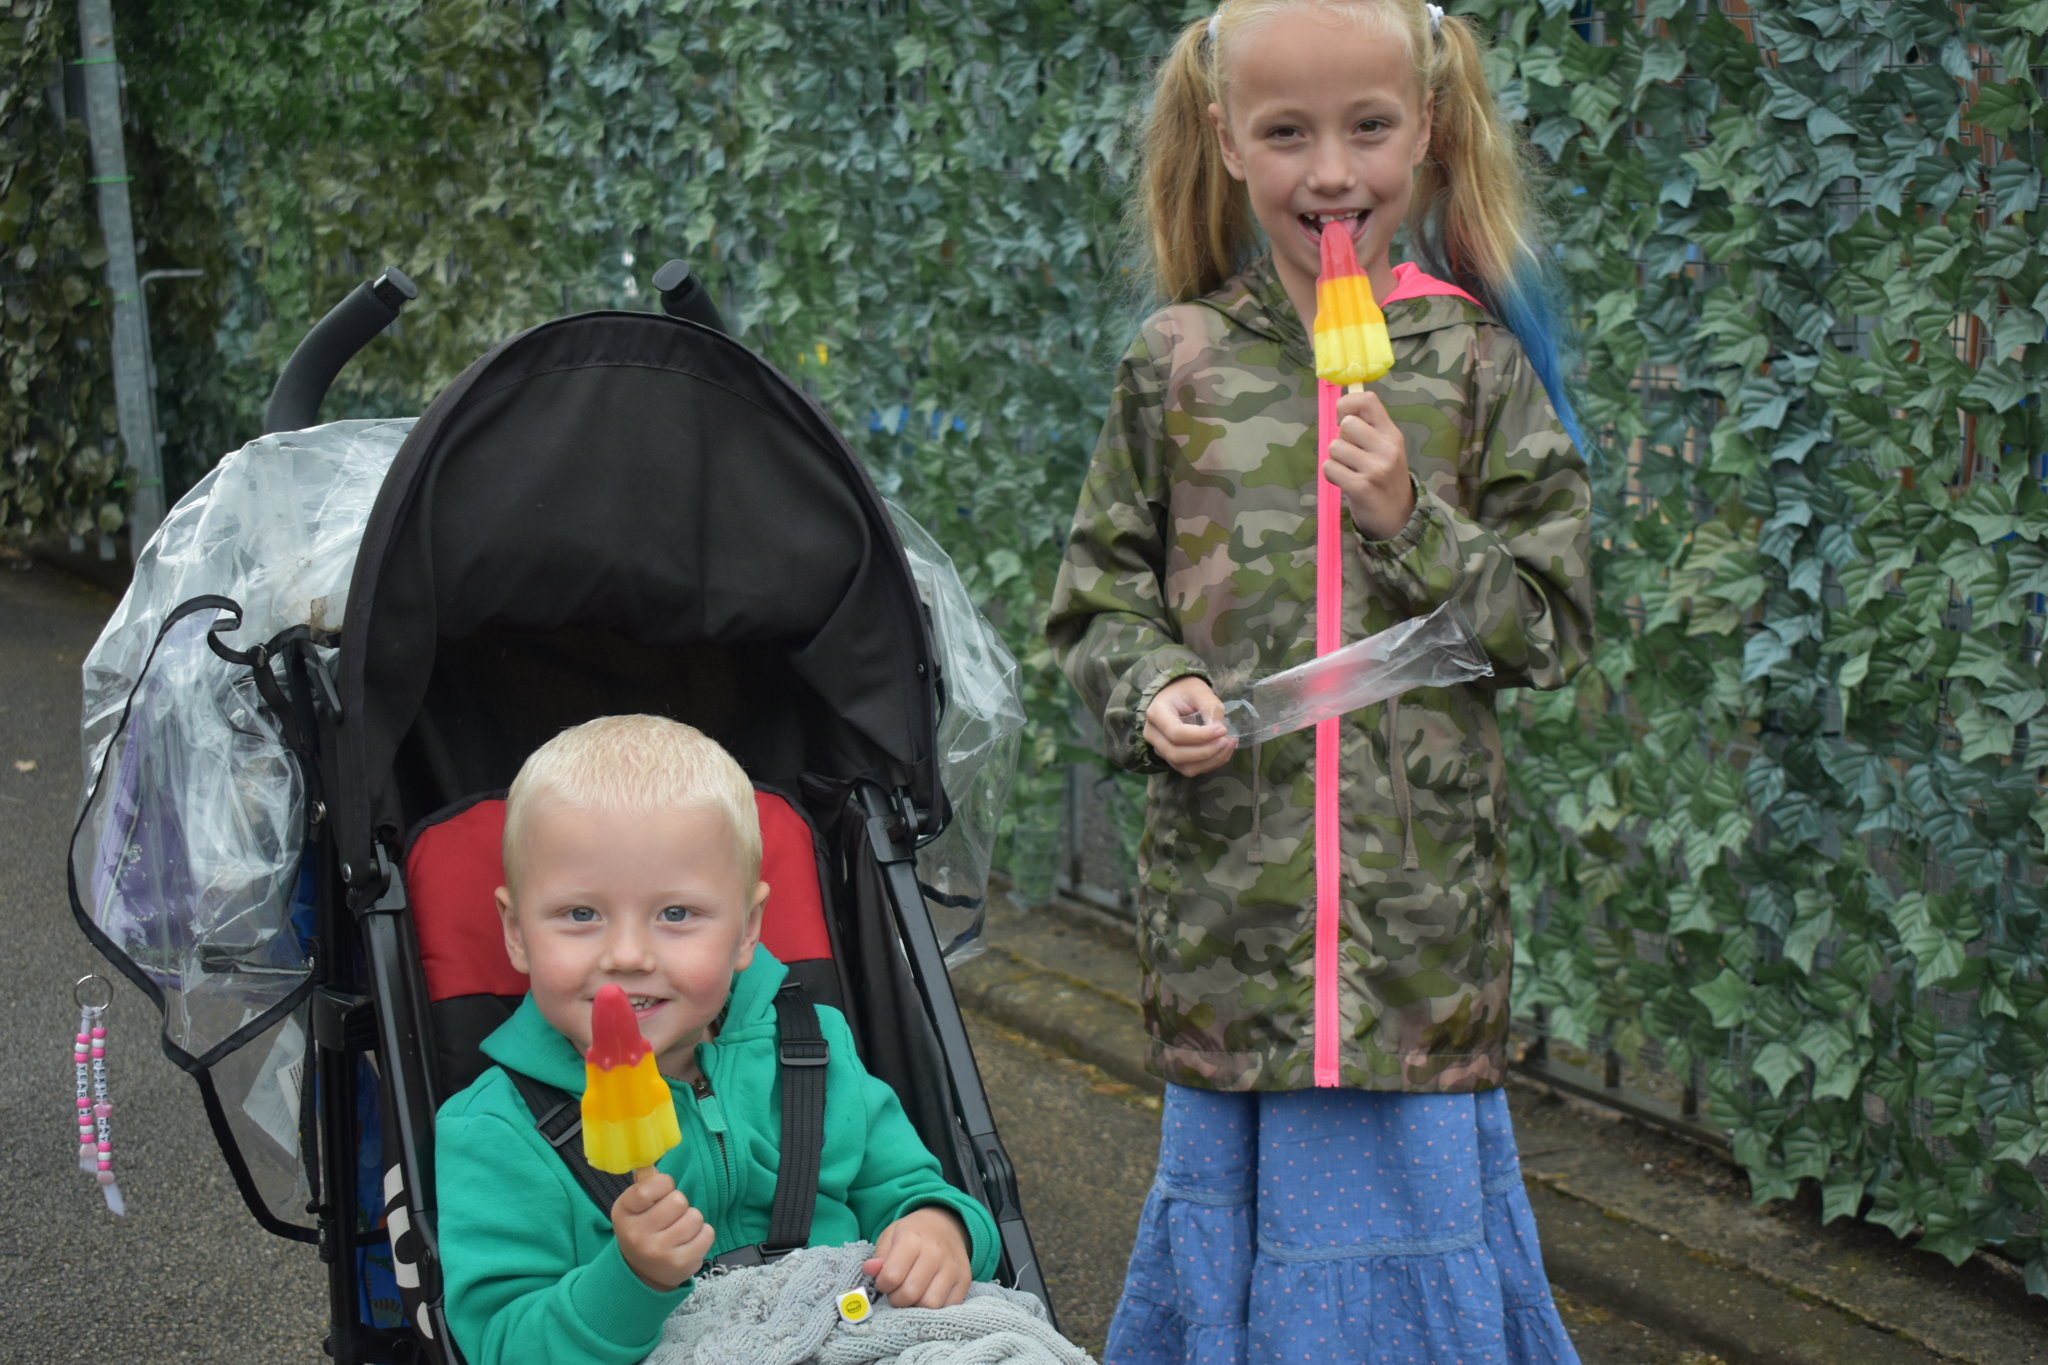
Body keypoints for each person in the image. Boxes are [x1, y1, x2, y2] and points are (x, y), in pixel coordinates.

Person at [1047, 1, 1592, 1360]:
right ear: (1226, 140)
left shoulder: (1472, 364)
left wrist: (1412, 515)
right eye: (1287, 133)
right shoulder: (1175, 362)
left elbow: (1553, 625)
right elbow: (1094, 610)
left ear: (1430, 133)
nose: (1331, 173)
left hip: (1418, 963)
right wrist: (1154, 685)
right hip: (1237, 944)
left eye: (1369, 128)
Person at [435, 715, 998, 1365]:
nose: (626, 953)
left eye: (675, 913)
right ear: (515, 931)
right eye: (580, 914)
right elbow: (505, 1345)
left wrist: (940, 1228)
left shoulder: (814, 1048)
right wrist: (631, 1278)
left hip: (842, 1331)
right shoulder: (494, 1129)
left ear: (746, 929)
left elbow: (910, 1187)